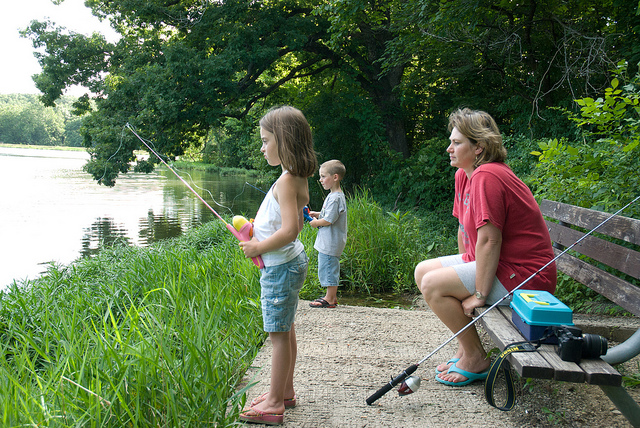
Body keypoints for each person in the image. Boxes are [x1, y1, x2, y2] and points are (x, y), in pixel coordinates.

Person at [414, 108, 557, 387]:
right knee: (423, 271)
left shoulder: (488, 176)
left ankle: (476, 359)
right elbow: (464, 232)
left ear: (478, 147)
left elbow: (491, 240)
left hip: (526, 276)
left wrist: (478, 293)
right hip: (501, 266)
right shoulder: (464, 176)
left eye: (457, 143)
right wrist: (466, 268)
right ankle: (465, 348)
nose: (449, 148)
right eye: (451, 141)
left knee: (432, 284)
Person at [238, 105, 318, 425]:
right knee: (286, 328)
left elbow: (291, 230)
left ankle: (274, 403)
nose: (262, 147)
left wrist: (257, 245)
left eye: (265, 140)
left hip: (280, 268)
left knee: (278, 334)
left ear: (282, 141)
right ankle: (284, 391)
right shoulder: (294, 177)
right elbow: (285, 223)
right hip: (290, 263)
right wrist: (260, 225)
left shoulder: (286, 180)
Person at [308, 160, 348, 308]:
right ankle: (331, 296)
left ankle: (330, 299)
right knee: (327, 267)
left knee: (329, 268)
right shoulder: (334, 196)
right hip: (329, 242)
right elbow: (329, 214)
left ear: (335, 177)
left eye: (323, 176)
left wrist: (315, 222)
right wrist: (317, 214)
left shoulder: (336, 198)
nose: (320, 180)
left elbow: (329, 220)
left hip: (330, 243)